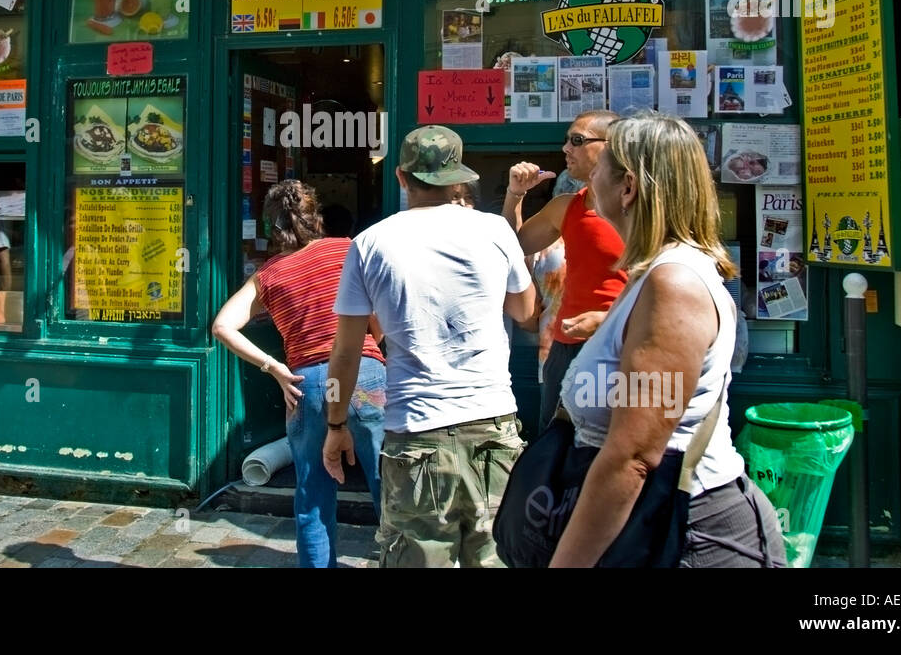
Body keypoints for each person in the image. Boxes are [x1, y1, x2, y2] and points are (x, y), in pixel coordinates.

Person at [550, 111, 785, 567]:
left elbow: (634, 456)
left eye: (601, 166)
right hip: (653, 526)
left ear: (629, 187)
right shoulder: (650, 274)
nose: (587, 174)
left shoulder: (672, 281)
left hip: (689, 534)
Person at [322, 126, 535, 568]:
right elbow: (525, 310)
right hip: (492, 424)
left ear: (401, 177)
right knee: (499, 556)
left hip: (416, 432)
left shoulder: (370, 243)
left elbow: (345, 353)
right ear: (459, 180)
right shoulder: (495, 230)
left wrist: (335, 421)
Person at [212, 180, 386, 568]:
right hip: (364, 376)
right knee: (389, 487)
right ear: (315, 214)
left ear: (272, 226)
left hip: (305, 384)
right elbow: (378, 323)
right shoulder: (349, 250)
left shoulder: (269, 274)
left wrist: (273, 367)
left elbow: (222, 325)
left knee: (312, 493)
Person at [503, 110, 629, 431]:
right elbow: (513, 245)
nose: (566, 149)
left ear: (611, 146)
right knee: (557, 444)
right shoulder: (567, 206)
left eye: (577, 140)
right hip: (565, 348)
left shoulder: (642, 207)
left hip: (621, 344)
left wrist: (608, 321)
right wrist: (516, 195)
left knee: (610, 446)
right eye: (567, 141)